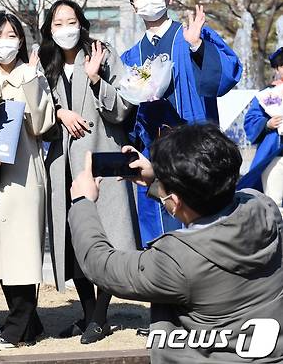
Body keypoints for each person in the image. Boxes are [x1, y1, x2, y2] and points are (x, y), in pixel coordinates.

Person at [69, 123, 283, 363]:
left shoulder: (178, 260)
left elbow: (102, 266)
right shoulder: (265, 209)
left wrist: (82, 202)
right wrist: (159, 182)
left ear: (176, 200)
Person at [40, 0, 138, 344]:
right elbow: (36, 113)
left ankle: (100, 316)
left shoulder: (104, 54)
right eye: (57, 23)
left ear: (82, 24)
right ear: (49, 30)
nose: (65, 28)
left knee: (107, 234)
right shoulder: (44, 64)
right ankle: (86, 313)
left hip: (101, 155)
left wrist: (96, 80)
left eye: (71, 21)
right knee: (74, 235)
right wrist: (59, 112)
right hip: (62, 163)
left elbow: (124, 108)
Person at [121, 0, 242, 247]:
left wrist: (198, 45)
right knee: (160, 233)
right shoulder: (130, 56)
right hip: (154, 156)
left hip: (197, 150)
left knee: (203, 227)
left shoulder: (191, 36)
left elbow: (225, 77)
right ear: (133, 7)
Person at [0, 13, 55, 350]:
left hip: (24, 171)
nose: (4, 42)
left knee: (22, 249)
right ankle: (30, 323)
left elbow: (43, 125)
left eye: (11, 35)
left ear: (21, 41)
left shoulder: (30, 74)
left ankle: (14, 328)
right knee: (4, 253)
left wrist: (32, 82)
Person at [238, 47, 283, 201]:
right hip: (275, 154)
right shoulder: (267, 94)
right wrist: (267, 124)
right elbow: (251, 119)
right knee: (274, 199)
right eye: (282, 65)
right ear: (277, 68)